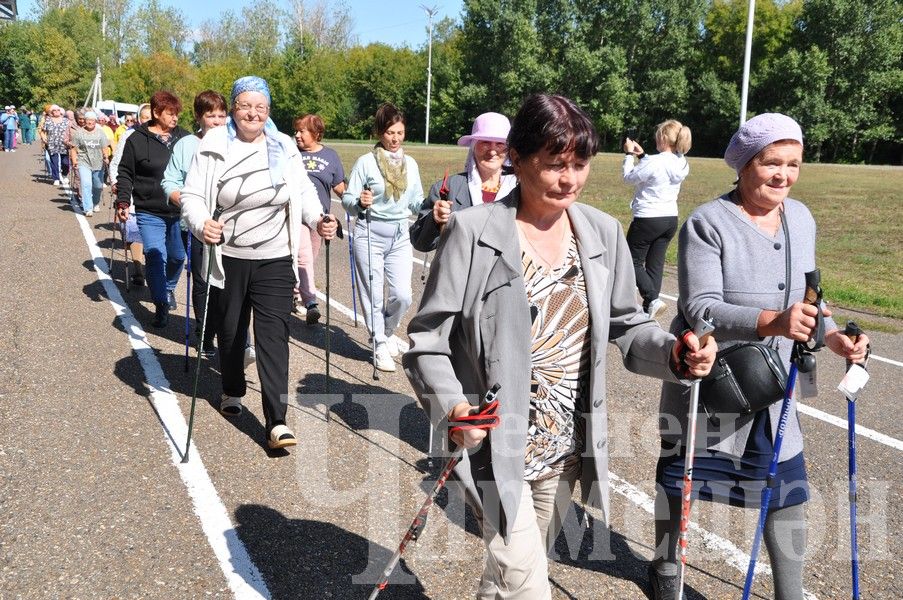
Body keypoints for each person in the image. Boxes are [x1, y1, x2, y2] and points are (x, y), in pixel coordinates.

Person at [403, 93, 716, 598]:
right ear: (518, 160)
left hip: (568, 446)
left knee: (512, 572)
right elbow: (426, 340)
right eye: (554, 165)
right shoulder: (471, 230)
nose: (569, 178)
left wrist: (675, 353)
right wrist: (452, 406)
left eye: (580, 163)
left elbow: (627, 324)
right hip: (494, 446)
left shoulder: (603, 232)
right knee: (526, 585)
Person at [648, 113, 870, 600]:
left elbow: (811, 297)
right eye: (772, 163)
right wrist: (773, 321)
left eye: (793, 164)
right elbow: (699, 307)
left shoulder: (803, 217)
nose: (782, 175)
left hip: (776, 384)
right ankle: (666, 566)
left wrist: (833, 337)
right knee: (680, 477)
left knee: (787, 486)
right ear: (745, 164)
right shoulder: (707, 221)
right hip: (713, 375)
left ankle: (790, 592)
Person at [180, 76, 337, 451]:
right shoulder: (213, 145)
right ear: (234, 109)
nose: (253, 113)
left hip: (275, 258)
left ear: (269, 110)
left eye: (260, 107)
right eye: (245, 106)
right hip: (229, 256)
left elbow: (302, 190)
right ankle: (232, 388)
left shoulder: (283, 145)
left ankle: (276, 420)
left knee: (273, 337)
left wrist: (318, 219)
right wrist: (202, 224)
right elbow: (191, 196)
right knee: (232, 332)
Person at [342, 103, 424, 372]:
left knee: (403, 295)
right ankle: (378, 344)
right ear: (380, 133)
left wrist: (431, 207)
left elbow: (415, 203)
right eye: (390, 132)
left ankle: (386, 332)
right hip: (369, 233)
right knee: (374, 295)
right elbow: (348, 200)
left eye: (400, 132)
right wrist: (360, 201)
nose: (395, 138)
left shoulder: (410, 164)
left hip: (400, 235)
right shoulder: (365, 163)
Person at [162, 90, 229, 357]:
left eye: (222, 115)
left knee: (226, 284)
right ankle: (204, 334)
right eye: (210, 115)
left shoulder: (236, 142)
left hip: (230, 229)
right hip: (196, 228)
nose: (217, 121)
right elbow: (169, 182)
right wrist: (191, 205)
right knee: (202, 282)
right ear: (198, 117)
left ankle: (227, 333)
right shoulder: (186, 145)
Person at [115, 91, 190, 328]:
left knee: (178, 256)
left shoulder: (184, 138)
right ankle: (161, 304)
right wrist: (123, 201)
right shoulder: (136, 139)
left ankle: (167, 289)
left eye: (177, 113)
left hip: (179, 211)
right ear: (156, 113)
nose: (175, 118)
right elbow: (125, 173)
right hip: (149, 210)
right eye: (170, 113)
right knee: (156, 255)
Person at [410, 111, 518, 252]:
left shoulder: (522, 189)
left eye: (499, 144)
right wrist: (434, 220)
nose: (492, 151)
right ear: (473, 146)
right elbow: (420, 243)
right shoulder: (447, 189)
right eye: (485, 142)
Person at [622, 120, 692, 319]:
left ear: (663, 138)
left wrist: (628, 155)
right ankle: (648, 310)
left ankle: (652, 299)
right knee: (655, 264)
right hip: (670, 218)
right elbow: (656, 168)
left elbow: (628, 178)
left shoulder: (656, 162)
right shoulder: (682, 162)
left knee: (631, 261)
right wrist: (642, 155)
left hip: (648, 218)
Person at [291, 113, 346, 324]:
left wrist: (355, 201)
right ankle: (311, 302)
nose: (297, 135)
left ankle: (293, 294)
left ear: (316, 133)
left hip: (318, 218)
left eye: (301, 131)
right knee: (303, 258)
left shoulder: (331, 156)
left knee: (308, 260)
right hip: (294, 216)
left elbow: (340, 187)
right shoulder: (292, 154)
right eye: (295, 131)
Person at [110, 103, 150, 287]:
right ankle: (138, 269)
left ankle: (153, 268)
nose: (149, 120)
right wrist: (116, 184)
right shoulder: (129, 136)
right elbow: (116, 163)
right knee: (135, 231)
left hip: (156, 195)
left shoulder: (168, 137)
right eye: (145, 117)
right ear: (139, 119)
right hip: (132, 192)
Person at [69, 110, 112, 217]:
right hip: (84, 162)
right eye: (88, 120)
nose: (90, 122)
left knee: (97, 186)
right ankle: (88, 208)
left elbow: (104, 147)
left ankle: (95, 202)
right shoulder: (79, 133)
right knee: (86, 184)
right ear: (85, 121)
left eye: (92, 120)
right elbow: (74, 148)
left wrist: (106, 156)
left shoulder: (100, 132)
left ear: (95, 121)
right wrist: (74, 161)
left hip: (98, 162)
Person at [40, 105, 70, 186]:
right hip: (52, 144)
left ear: (60, 111)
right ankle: (56, 178)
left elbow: (70, 131)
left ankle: (64, 174)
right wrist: (43, 137)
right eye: (54, 110)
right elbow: (42, 131)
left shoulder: (66, 120)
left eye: (58, 110)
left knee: (65, 162)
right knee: (54, 162)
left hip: (64, 144)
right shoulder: (48, 120)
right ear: (51, 112)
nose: (56, 111)